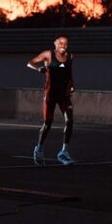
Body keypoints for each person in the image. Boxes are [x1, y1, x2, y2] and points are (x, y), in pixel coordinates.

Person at [26, 35, 75, 165]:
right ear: (55, 43)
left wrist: (72, 84)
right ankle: (39, 149)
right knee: (48, 123)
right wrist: (39, 69)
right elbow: (30, 63)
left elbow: (69, 73)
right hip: (50, 94)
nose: (63, 45)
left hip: (64, 95)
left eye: (65, 43)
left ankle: (63, 152)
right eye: (60, 43)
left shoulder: (70, 56)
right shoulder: (48, 54)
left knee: (70, 121)